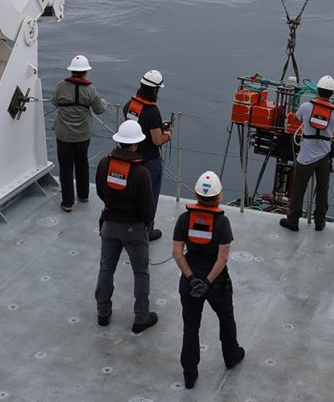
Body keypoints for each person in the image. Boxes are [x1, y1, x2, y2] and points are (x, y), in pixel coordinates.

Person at [172, 171, 244, 389]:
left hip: (190, 282)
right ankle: (231, 355)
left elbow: (177, 252)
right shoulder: (222, 223)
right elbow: (222, 258)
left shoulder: (185, 219)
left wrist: (193, 279)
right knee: (226, 318)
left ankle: (189, 373)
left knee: (191, 327)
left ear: (196, 194)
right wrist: (207, 282)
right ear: (218, 196)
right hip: (216, 284)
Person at [94, 120, 158, 334]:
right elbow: (148, 209)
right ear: (136, 145)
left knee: (106, 268)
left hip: (109, 224)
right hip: (134, 228)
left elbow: (100, 192)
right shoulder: (141, 173)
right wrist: (144, 226)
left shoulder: (104, 163)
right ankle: (141, 318)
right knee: (141, 273)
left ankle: (103, 313)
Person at [280, 75, 334, 232]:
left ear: (317, 90)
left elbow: (296, 118)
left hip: (305, 156)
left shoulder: (305, 107)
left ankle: (293, 221)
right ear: (331, 94)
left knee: (299, 189)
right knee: (323, 190)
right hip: (324, 157)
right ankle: (320, 222)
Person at [51, 54, 107, 212]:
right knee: (82, 164)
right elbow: (99, 109)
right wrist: (104, 102)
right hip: (83, 135)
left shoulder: (61, 86)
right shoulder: (90, 89)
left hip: (63, 135)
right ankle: (83, 195)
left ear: (71, 71)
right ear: (85, 72)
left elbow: (54, 101)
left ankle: (68, 202)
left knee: (65, 166)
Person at [123, 70, 171, 241]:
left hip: (130, 159)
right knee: (150, 198)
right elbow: (157, 140)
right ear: (155, 90)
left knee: (132, 196)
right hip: (149, 161)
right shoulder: (152, 111)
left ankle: (129, 227)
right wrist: (168, 134)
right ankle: (147, 231)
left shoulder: (129, 105)